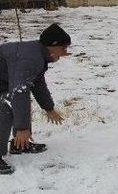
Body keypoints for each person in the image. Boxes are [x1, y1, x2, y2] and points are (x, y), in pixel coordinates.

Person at [0, 23, 69, 175]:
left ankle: (20, 145)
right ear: (52, 45)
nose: (65, 52)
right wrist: (22, 128)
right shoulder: (30, 57)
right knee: (6, 106)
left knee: (18, 101)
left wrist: (49, 108)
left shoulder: (38, 56)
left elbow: (37, 84)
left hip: (4, 82)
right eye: (63, 48)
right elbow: (18, 91)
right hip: (4, 84)